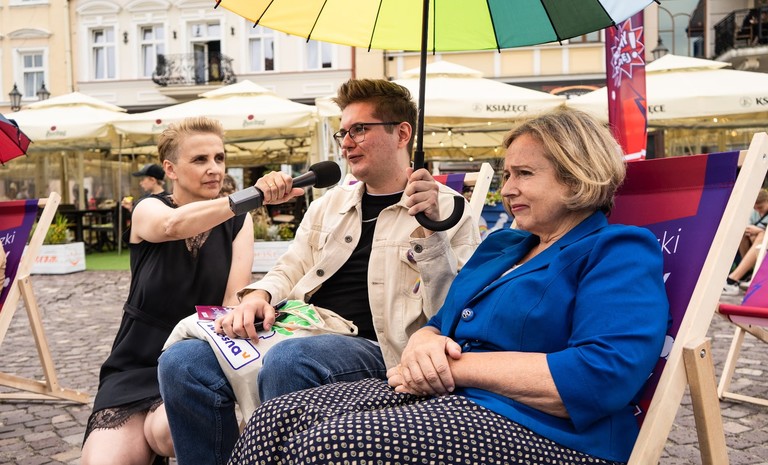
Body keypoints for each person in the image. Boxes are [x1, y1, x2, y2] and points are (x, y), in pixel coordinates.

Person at [227, 108, 670, 465]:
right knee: (274, 419)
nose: (507, 190)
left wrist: (455, 369)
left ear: (576, 177)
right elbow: (440, 320)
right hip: (454, 401)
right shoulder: (505, 245)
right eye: (507, 174)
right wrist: (425, 341)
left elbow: (602, 375)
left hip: (550, 432)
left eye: (524, 174)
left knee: (326, 446)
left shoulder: (616, 250)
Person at [158, 78, 480, 465]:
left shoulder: (448, 210)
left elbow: (456, 310)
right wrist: (259, 295)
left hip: (383, 351)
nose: (346, 143)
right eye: (344, 132)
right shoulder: (329, 204)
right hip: (301, 329)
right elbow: (291, 265)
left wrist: (431, 231)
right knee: (183, 362)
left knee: (292, 360)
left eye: (359, 130)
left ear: (402, 134)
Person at [81, 116, 293, 465]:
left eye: (219, 158)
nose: (214, 169)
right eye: (200, 159)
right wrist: (250, 197)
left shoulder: (239, 222)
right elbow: (172, 225)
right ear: (170, 169)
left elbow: (232, 301)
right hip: (135, 361)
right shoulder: (149, 208)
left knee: (167, 433)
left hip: (192, 361)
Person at [723, 188, 768, 295]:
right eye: (755, 208)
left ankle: (732, 279)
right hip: (755, 244)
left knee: (761, 236)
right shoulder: (754, 212)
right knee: (743, 234)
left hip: (762, 242)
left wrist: (760, 231)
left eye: (760, 207)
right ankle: (746, 270)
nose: (758, 211)